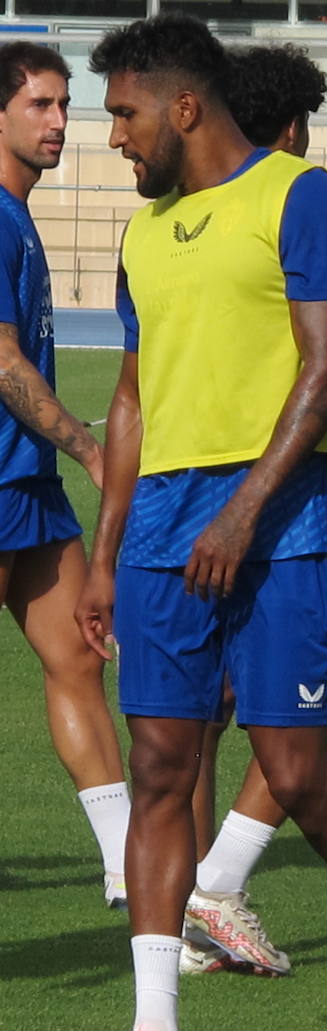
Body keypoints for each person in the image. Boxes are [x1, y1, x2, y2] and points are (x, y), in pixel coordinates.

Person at [74, 14, 327, 1031]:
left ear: (185, 106)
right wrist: (104, 554)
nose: (115, 137)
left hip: (279, 519)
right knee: (158, 766)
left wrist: (239, 514)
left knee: (294, 767)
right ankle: (154, 1016)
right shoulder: (140, 234)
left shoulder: (303, 197)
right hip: (158, 535)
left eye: (126, 114)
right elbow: (134, 398)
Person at [179, 40, 327, 980]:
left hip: (184, 493)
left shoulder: (186, 210)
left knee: (199, 710)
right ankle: (211, 886)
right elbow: (324, 363)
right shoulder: (298, 196)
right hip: (271, 500)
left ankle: (193, 896)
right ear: (293, 124)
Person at [0, 40, 130, 908]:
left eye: (63, 104)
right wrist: (91, 449)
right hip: (9, 479)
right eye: (40, 104)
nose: (59, 121)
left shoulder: (20, 212)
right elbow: (3, 364)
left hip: (27, 481)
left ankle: (131, 868)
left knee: (81, 659)